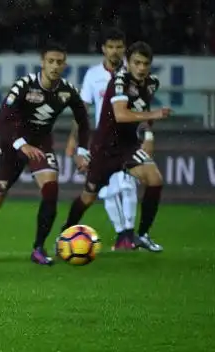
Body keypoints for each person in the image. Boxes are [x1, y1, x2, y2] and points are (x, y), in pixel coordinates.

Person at [0, 41, 91, 266]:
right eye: (51, 61)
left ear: (65, 65)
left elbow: (83, 120)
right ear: (42, 62)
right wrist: (21, 144)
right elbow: (1, 121)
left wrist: (82, 151)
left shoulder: (67, 91)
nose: (55, 66)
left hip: (40, 145)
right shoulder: (25, 85)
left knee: (51, 190)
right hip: (12, 146)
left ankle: (38, 248)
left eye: (59, 62)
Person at [60, 41, 170, 253]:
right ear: (128, 62)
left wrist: (148, 134)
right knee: (88, 196)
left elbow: (142, 109)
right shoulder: (119, 80)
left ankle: (143, 235)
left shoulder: (151, 83)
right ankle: (64, 233)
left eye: (145, 63)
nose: (141, 68)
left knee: (154, 179)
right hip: (105, 149)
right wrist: (154, 114)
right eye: (136, 63)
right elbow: (121, 114)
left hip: (128, 146)